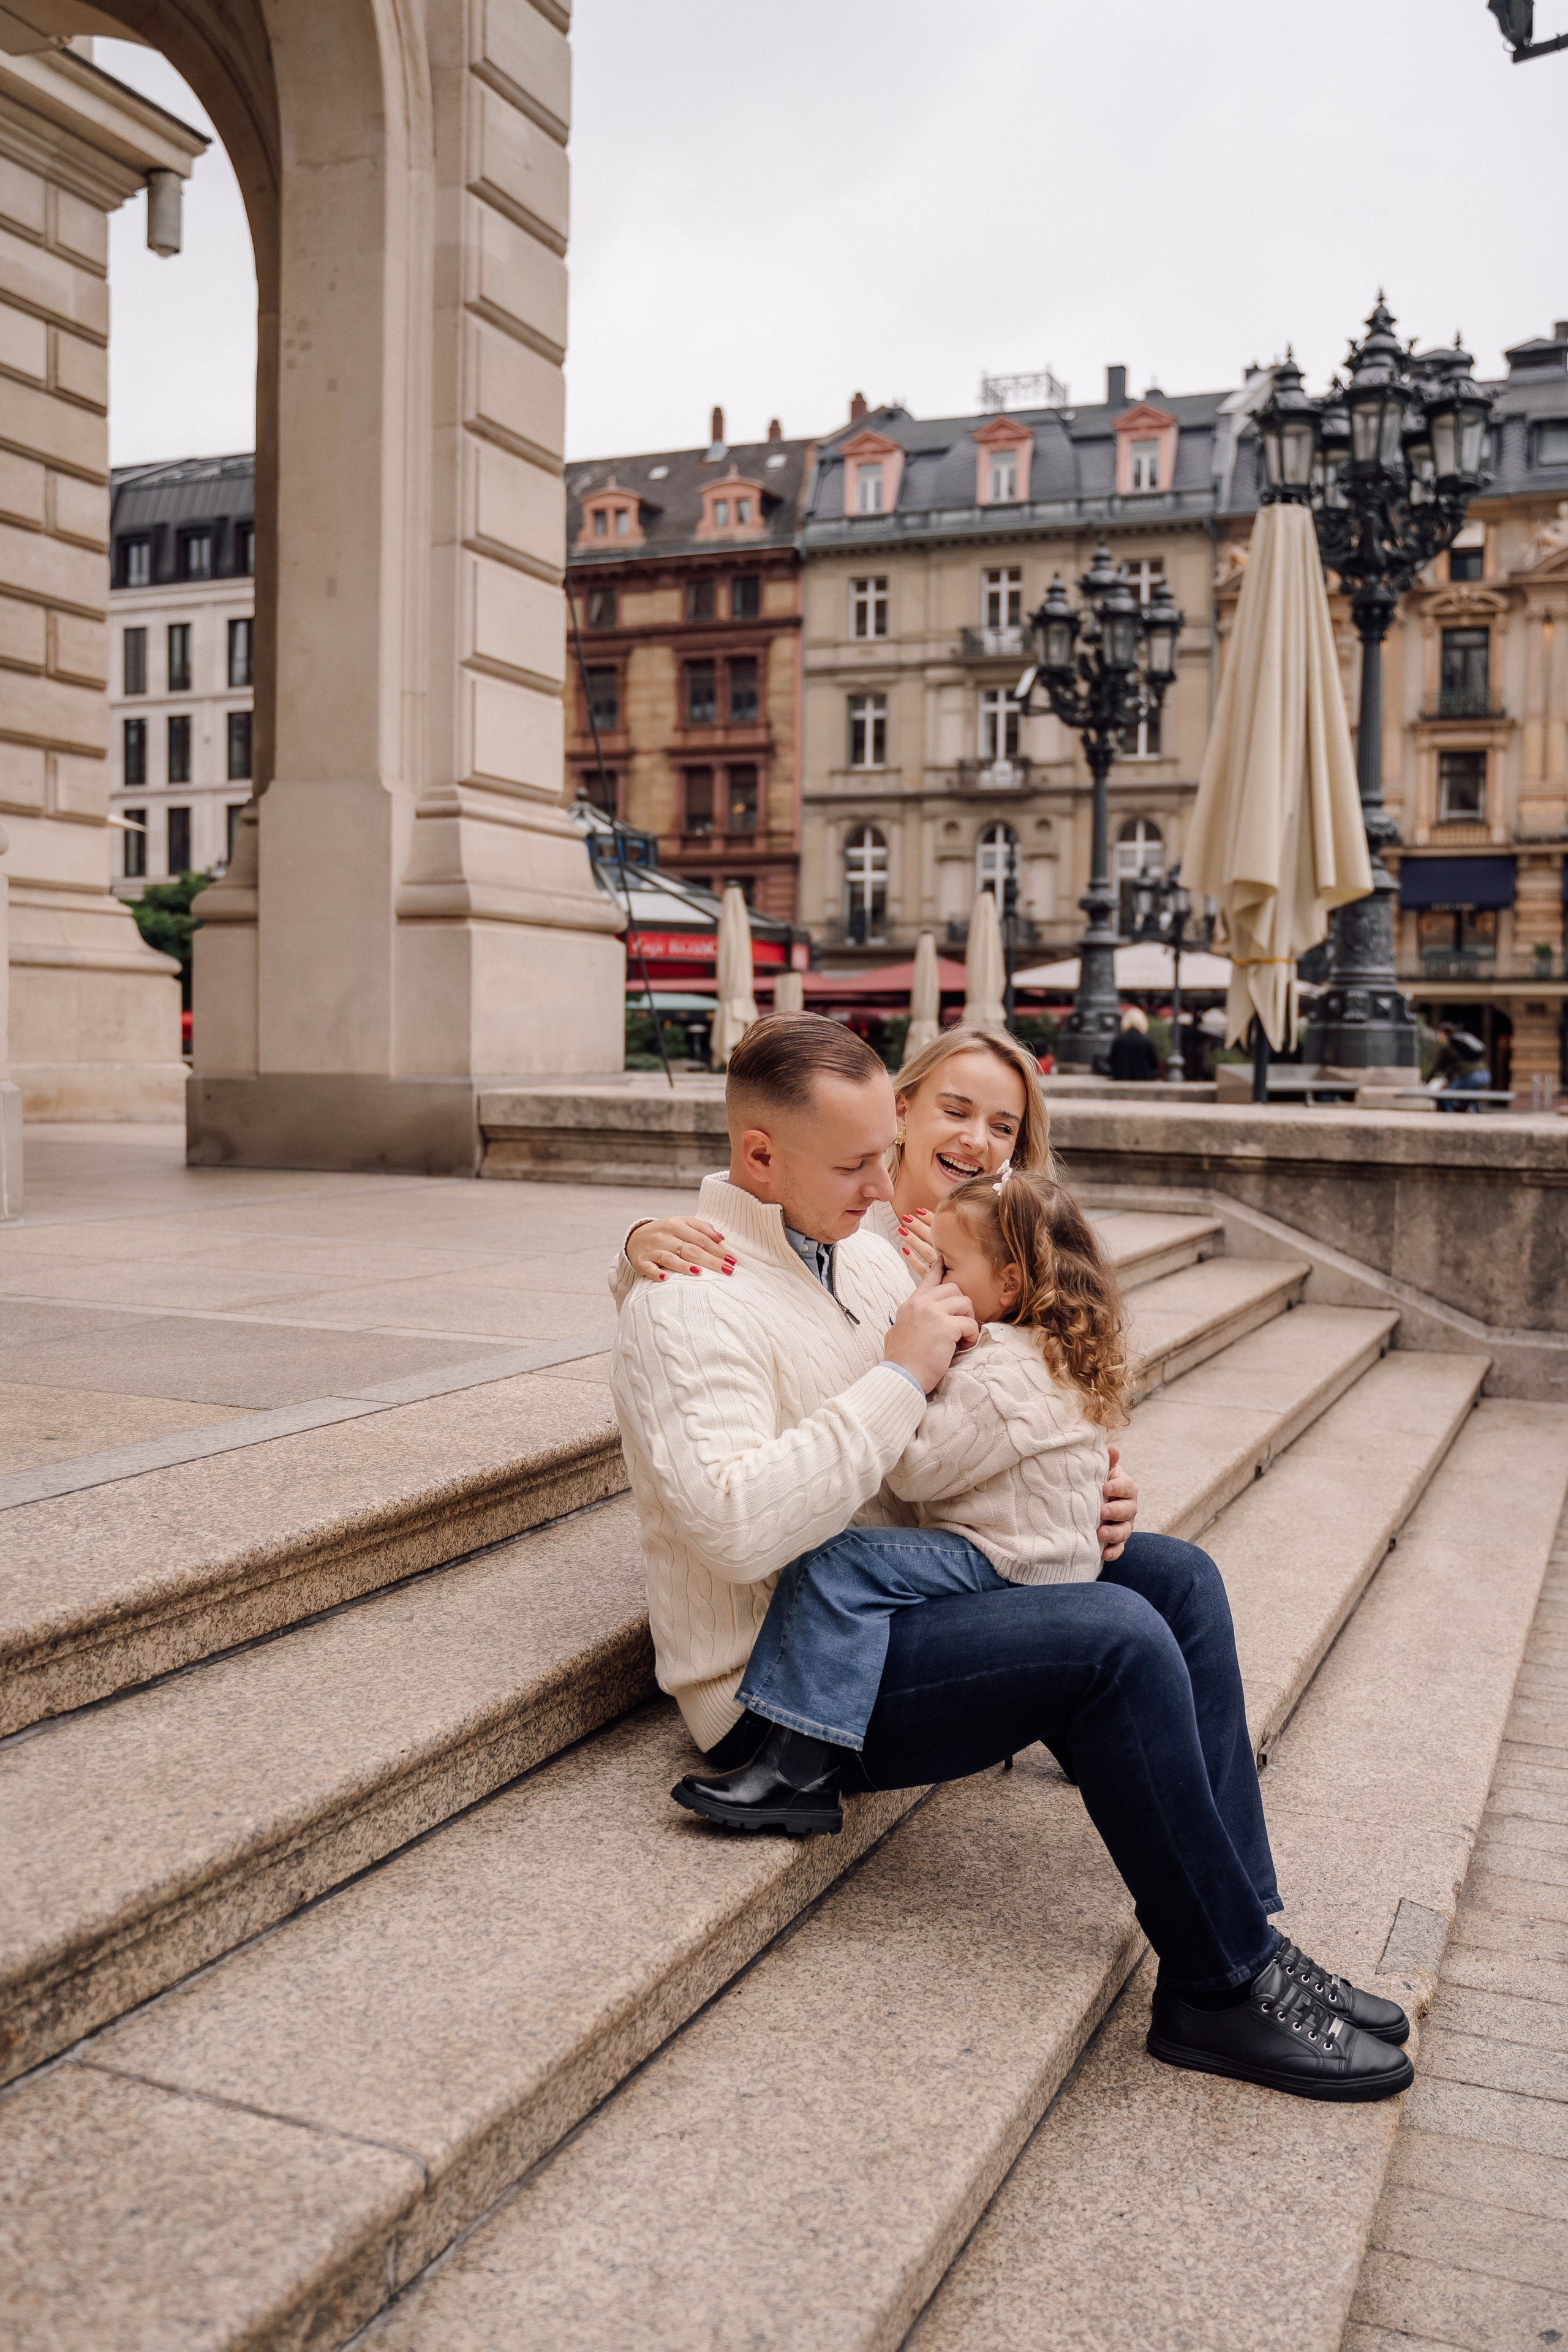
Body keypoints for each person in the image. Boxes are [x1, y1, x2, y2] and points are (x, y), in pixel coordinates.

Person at [608, 1012, 1413, 2103]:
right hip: (789, 1682)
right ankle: (1217, 1989)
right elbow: (738, 1524)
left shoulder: (858, 1252)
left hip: (906, 1594)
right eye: (858, 1162)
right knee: (1114, 1639)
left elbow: (994, 1400)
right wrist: (894, 1376)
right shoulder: (689, 1298)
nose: (886, 1182)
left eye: (885, 1154)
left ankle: (1247, 1928)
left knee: (1174, 1579)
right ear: (760, 1156)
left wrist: (1081, 1493)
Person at [674, 1169, 1123, 1789]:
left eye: (945, 1265)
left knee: (837, 1565)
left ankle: (798, 1766)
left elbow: (913, 1473)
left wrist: (908, 1368)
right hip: (1050, 1554)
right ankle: (1072, 1727)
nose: (930, 1278)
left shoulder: (1000, 1369)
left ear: (1009, 1281)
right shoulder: (1044, 1347)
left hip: (1007, 1560)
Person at [1107, 1003, 1162, 1083]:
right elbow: (1154, 1064)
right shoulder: (1147, 1040)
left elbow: (1112, 1061)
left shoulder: (1119, 1040)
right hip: (1144, 1079)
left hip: (1121, 1079)